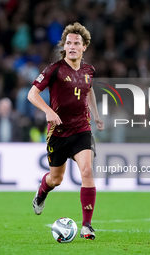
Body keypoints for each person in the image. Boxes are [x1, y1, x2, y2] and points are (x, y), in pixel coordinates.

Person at [27, 22, 104, 240]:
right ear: (64, 46)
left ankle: (87, 226)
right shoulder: (55, 70)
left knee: (87, 171)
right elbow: (32, 94)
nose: (71, 47)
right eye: (68, 43)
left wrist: (96, 115)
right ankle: (42, 193)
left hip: (82, 129)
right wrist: (48, 111)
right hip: (58, 133)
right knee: (56, 179)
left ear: (84, 47)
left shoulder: (89, 71)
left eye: (76, 43)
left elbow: (88, 91)